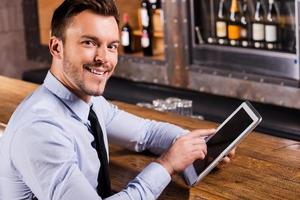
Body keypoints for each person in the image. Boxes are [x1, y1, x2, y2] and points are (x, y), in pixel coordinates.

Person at [0, 0, 234, 199]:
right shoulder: (41, 129)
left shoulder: (88, 103)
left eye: (111, 46)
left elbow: (146, 133)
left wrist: (198, 145)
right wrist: (167, 165)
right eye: (89, 43)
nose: (103, 58)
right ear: (56, 47)